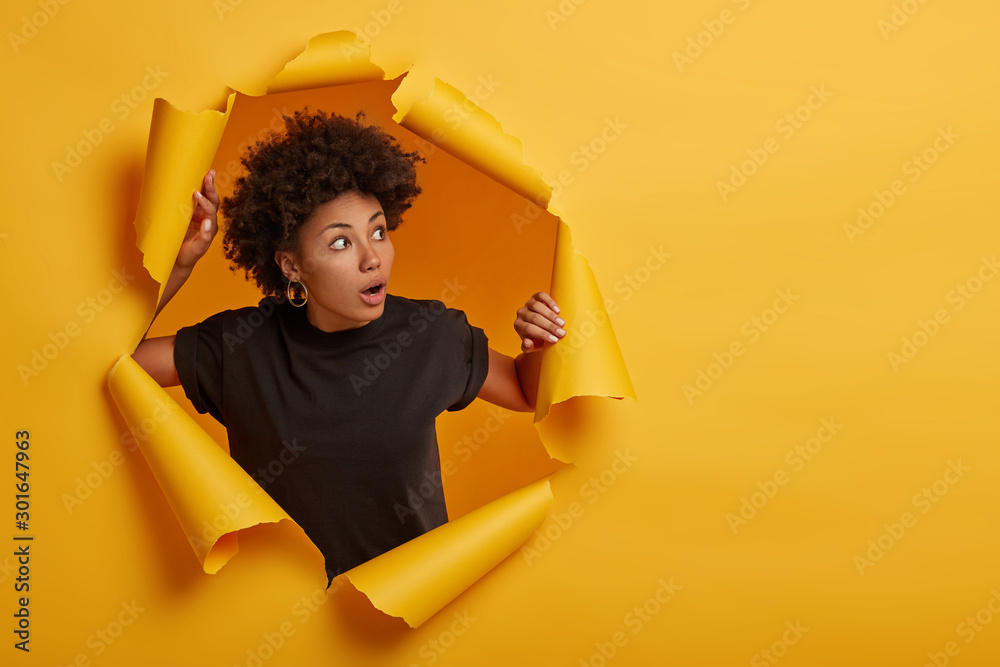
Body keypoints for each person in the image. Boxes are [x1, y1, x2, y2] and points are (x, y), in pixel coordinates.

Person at [131, 108, 567, 584]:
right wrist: (178, 267)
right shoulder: (238, 348)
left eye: (378, 232)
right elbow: (118, 364)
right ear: (291, 265)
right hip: (278, 627)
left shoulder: (429, 334)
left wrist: (540, 347)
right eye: (341, 243)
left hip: (408, 613)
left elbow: (527, 393)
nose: (372, 257)